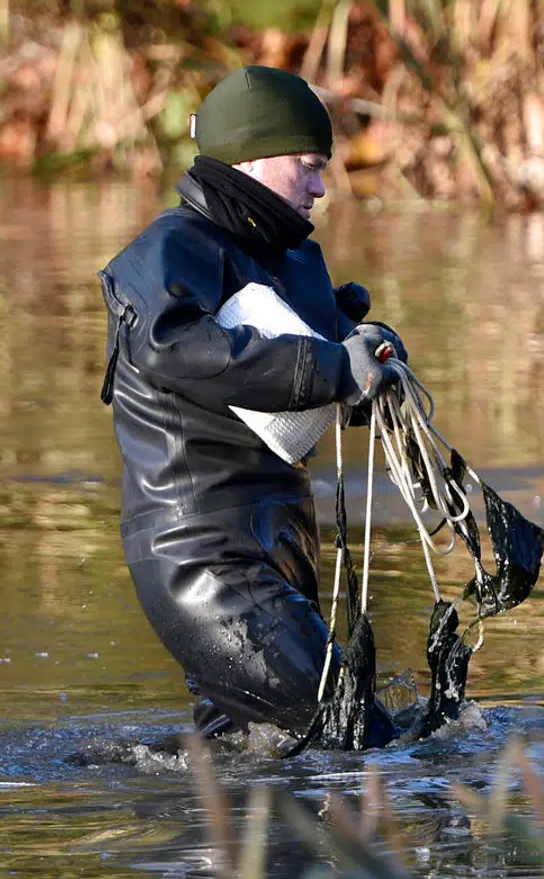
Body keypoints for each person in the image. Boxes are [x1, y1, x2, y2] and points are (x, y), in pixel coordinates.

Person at [96, 66, 405, 739]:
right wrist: (334, 366)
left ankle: (186, 806)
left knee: (253, 758)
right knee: (359, 736)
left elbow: (314, 387)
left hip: (283, 547)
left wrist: (370, 358)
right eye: (308, 167)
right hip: (201, 558)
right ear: (250, 159)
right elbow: (176, 349)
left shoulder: (293, 260)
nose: (321, 187)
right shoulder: (166, 251)